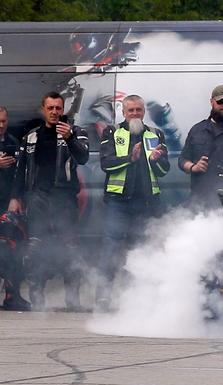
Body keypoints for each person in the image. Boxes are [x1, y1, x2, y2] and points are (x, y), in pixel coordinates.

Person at [8, 92, 89, 311]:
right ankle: (37, 299)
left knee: (70, 248)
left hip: (64, 199)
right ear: (43, 109)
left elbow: (83, 157)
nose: (54, 112)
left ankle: (72, 299)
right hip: (38, 199)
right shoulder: (31, 137)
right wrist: (15, 197)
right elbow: (20, 170)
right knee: (35, 248)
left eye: (58, 108)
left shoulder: (76, 132)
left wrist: (70, 137)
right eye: (50, 108)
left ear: (63, 110)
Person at [97, 94, 170, 310]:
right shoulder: (112, 132)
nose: (135, 114)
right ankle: (104, 296)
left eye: (139, 110)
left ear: (144, 111)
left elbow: (164, 171)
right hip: (118, 203)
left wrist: (156, 161)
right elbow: (105, 164)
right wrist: (130, 158)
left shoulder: (156, 134)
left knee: (143, 249)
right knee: (111, 248)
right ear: (123, 112)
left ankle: (137, 299)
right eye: (131, 110)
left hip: (147, 203)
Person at [0, 107, 31, 310]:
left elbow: (20, 175)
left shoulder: (13, 142)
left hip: (6, 204)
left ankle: (12, 295)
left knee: (11, 249)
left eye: (3, 121)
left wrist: (16, 198)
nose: (1, 125)